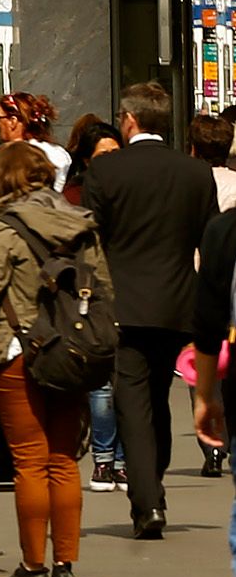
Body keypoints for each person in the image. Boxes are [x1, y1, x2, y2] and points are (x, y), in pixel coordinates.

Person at [0, 138, 105, 577]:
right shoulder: (81, 222)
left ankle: (33, 566)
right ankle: (66, 565)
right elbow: (100, 285)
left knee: (30, 461)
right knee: (64, 459)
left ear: (3, 178)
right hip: (71, 350)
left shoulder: (5, 227)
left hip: (17, 351)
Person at [83, 81, 211, 539]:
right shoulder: (195, 173)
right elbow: (207, 241)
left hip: (124, 303)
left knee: (132, 404)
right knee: (158, 398)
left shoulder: (106, 171)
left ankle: (148, 500)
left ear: (129, 119)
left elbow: (90, 239)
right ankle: (152, 483)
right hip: (179, 302)